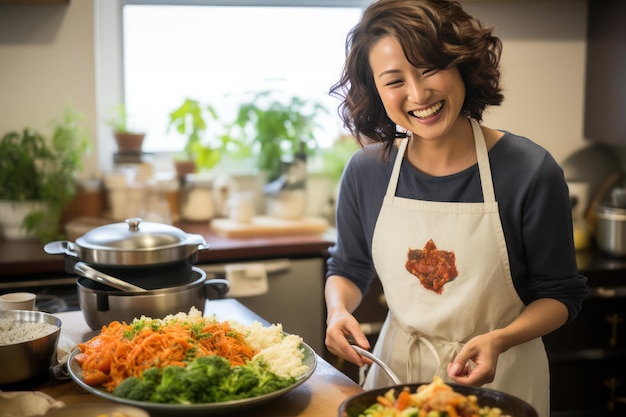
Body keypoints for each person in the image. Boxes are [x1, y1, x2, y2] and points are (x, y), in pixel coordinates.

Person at [324, 0, 589, 415]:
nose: (418, 93)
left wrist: (499, 339)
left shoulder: (529, 170)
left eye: (430, 68)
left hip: (501, 377)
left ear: (462, 63)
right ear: (377, 91)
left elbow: (560, 295)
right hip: (397, 379)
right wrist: (337, 310)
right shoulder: (366, 171)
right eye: (395, 80)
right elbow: (348, 267)